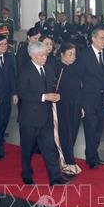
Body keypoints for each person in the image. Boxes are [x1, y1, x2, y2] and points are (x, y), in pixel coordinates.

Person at [17, 41, 71, 186]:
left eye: (45, 55)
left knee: (49, 148)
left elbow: (53, 86)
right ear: (32, 55)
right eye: (40, 55)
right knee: (27, 149)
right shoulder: (25, 70)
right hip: (30, 117)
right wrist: (43, 97)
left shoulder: (49, 68)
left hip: (46, 116)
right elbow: (22, 93)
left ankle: (55, 177)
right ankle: (26, 173)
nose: (44, 58)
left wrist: (55, 95)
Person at [77, 27, 104, 169]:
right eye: (101, 38)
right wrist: (80, 102)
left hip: (102, 98)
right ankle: (92, 157)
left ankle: (93, 154)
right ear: (93, 39)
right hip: (88, 98)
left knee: (99, 127)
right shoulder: (83, 55)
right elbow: (78, 79)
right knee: (90, 127)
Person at [55, 43, 84, 174]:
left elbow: (79, 89)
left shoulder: (75, 68)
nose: (73, 57)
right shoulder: (57, 68)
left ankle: (67, 159)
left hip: (75, 105)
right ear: (62, 55)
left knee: (73, 133)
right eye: (70, 54)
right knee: (65, 134)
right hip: (62, 106)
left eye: (74, 54)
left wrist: (81, 106)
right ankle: (69, 162)